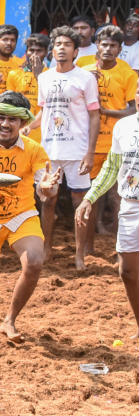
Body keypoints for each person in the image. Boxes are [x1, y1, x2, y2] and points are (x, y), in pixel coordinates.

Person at [0, 92, 60, 343]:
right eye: (0, 118)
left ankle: (10, 319)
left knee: (35, 263)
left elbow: (45, 187)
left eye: (12, 120)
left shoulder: (34, 150)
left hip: (21, 216)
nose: (5, 124)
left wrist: (49, 187)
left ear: (23, 123)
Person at [20, 27, 99, 269]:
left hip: (77, 151)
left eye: (67, 44)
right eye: (58, 44)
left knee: (80, 202)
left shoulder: (85, 78)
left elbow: (95, 116)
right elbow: (44, 112)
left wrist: (90, 152)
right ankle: (46, 249)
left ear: (76, 51)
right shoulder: (44, 77)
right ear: (52, 50)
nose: (62, 48)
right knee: (48, 201)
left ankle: (80, 255)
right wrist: (29, 127)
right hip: (49, 151)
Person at [76, 92, 139, 337]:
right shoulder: (123, 126)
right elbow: (112, 167)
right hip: (130, 205)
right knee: (128, 272)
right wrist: (89, 198)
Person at [82, 25, 137, 249]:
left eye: (113, 45)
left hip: (118, 143)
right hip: (89, 143)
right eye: (104, 44)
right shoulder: (83, 70)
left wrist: (104, 112)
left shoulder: (127, 73)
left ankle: (120, 245)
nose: (108, 49)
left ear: (120, 48)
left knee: (117, 198)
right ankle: (88, 247)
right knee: (91, 196)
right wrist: (85, 79)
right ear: (97, 46)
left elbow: (134, 109)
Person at [5, 33, 49, 143]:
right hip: (20, 129)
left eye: (39, 51)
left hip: (43, 132)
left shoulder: (51, 75)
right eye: (31, 50)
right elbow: (10, 104)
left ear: (46, 53)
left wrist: (38, 75)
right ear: (26, 52)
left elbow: (50, 99)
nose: (34, 54)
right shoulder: (14, 74)